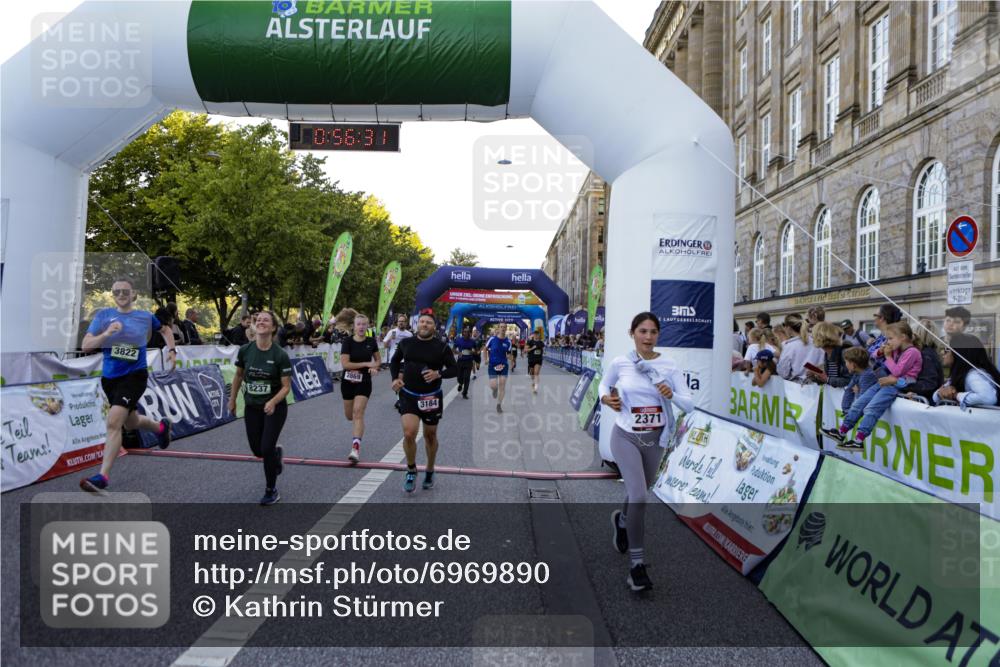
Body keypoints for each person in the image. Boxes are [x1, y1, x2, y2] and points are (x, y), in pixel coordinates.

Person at [598, 312, 694, 592]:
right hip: (625, 436)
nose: (648, 337)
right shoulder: (621, 362)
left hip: (656, 439)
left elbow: (689, 405)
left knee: (639, 491)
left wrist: (671, 394)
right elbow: (605, 383)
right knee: (639, 495)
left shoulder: (669, 365)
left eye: (653, 332)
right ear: (633, 333)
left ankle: (623, 521)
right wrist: (607, 398)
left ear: (658, 335)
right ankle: (637, 566)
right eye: (642, 331)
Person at [79, 278, 174, 493]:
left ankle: (102, 476)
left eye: (125, 291)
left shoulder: (144, 317)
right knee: (130, 423)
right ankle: (160, 427)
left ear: (133, 295)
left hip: (135, 375)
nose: (121, 294)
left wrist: (172, 351)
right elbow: (86, 346)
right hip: (110, 379)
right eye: (117, 292)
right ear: (112, 295)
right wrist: (106, 334)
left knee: (114, 422)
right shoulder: (103, 316)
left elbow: (166, 331)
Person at [823, 322, 922, 450]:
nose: (888, 342)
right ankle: (841, 432)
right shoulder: (896, 349)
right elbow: (872, 355)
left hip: (899, 384)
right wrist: (881, 352)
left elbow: (897, 372)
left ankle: (859, 440)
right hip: (886, 381)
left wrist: (887, 356)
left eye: (891, 338)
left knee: (871, 408)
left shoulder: (912, 352)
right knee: (860, 403)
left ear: (902, 337)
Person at [228, 311, 292, 505]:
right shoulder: (245, 350)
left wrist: (272, 402)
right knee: (258, 451)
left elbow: (286, 387)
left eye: (266, 320)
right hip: (252, 407)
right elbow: (238, 376)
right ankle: (274, 456)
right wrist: (232, 399)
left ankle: (271, 490)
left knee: (266, 446)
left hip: (275, 407)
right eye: (258, 320)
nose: (261, 322)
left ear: (273, 328)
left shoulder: (280, 354)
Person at [391, 309, 458, 492]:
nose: (425, 325)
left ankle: (429, 469)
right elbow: (395, 361)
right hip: (409, 394)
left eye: (428, 322)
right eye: (422, 322)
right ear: (417, 324)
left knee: (430, 436)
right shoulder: (406, 343)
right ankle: (411, 469)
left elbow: (455, 369)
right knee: (409, 433)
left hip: (431, 396)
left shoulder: (442, 347)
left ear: (434, 326)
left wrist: (439, 373)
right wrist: (395, 379)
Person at [339, 313, 380, 463]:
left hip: (364, 381)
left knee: (358, 413)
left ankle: (355, 448)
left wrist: (374, 367)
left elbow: (378, 360)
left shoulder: (371, 341)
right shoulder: (347, 342)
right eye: (359, 324)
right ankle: (357, 431)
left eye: (364, 324)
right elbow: (345, 364)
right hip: (348, 382)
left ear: (367, 326)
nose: (361, 327)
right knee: (350, 415)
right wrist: (366, 364)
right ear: (354, 326)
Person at [933, 333, 1000, 409]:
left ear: (959, 352)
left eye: (947, 349)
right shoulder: (962, 373)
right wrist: (941, 393)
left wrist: (956, 395)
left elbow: (988, 398)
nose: (942, 352)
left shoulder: (973, 375)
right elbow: (935, 397)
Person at [776, 314, 824, 382]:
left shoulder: (789, 346)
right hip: (818, 385)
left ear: (788, 328)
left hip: (797, 387)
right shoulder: (816, 342)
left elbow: (783, 373)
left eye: (784, 326)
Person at [908, 320, 944, 401]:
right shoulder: (930, 353)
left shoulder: (925, 355)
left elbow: (928, 384)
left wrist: (903, 385)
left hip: (926, 403)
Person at [805, 322, 850, 387]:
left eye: (813, 335)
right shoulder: (827, 353)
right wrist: (815, 377)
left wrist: (827, 379)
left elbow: (849, 381)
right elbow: (829, 380)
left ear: (820, 337)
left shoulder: (844, 353)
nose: (812, 338)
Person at [837, 346, 878, 415]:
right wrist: (846, 409)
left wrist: (857, 392)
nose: (845, 365)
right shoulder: (857, 373)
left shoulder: (867, 375)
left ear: (853, 365)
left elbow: (863, 401)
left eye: (846, 362)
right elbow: (849, 390)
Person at [483, 324, 514, 413]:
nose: (503, 329)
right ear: (499, 328)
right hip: (492, 365)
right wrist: (485, 359)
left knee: (502, 385)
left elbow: (508, 354)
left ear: (506, 329)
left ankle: (499, 405)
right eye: (501, 327)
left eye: (505, 327)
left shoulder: (508, 341)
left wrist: (512, 361)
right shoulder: (492, 339)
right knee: (493, 385)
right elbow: (485, 349)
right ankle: (494, 390)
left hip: (503, 365)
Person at [866, 304, 903, 371]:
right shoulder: (882, 336)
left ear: (882, 318)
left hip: (883, 378)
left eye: (875, 315)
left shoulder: (891, 338)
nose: (873, 318)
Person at [452, 326, 477, 399]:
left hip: (469, 361)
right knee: (459, 377)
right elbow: (453, 348)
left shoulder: (472, 341)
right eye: (464, 332)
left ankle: (464, 393)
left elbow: (476, 350)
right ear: (462, 333)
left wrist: (473, 351)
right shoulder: (458, 340)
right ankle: (460, 383)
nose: (466, 333)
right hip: (460, 361)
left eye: (467, 332)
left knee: (467, 378)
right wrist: (458, 352)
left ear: (469, 333)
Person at [526, 330, 545, 394]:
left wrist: (544, 352)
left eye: (538, 334)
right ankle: (533, 382)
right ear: (533, 335)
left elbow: (543, 349)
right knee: (532, 374)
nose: (536, 335)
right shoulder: (530, 342)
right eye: (535, 334)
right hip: (531, 359)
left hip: (538, 359)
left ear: (539, 335)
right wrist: (532, 348)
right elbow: (526, 350)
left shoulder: (541, 342)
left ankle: (535, 389)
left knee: (536, 373)